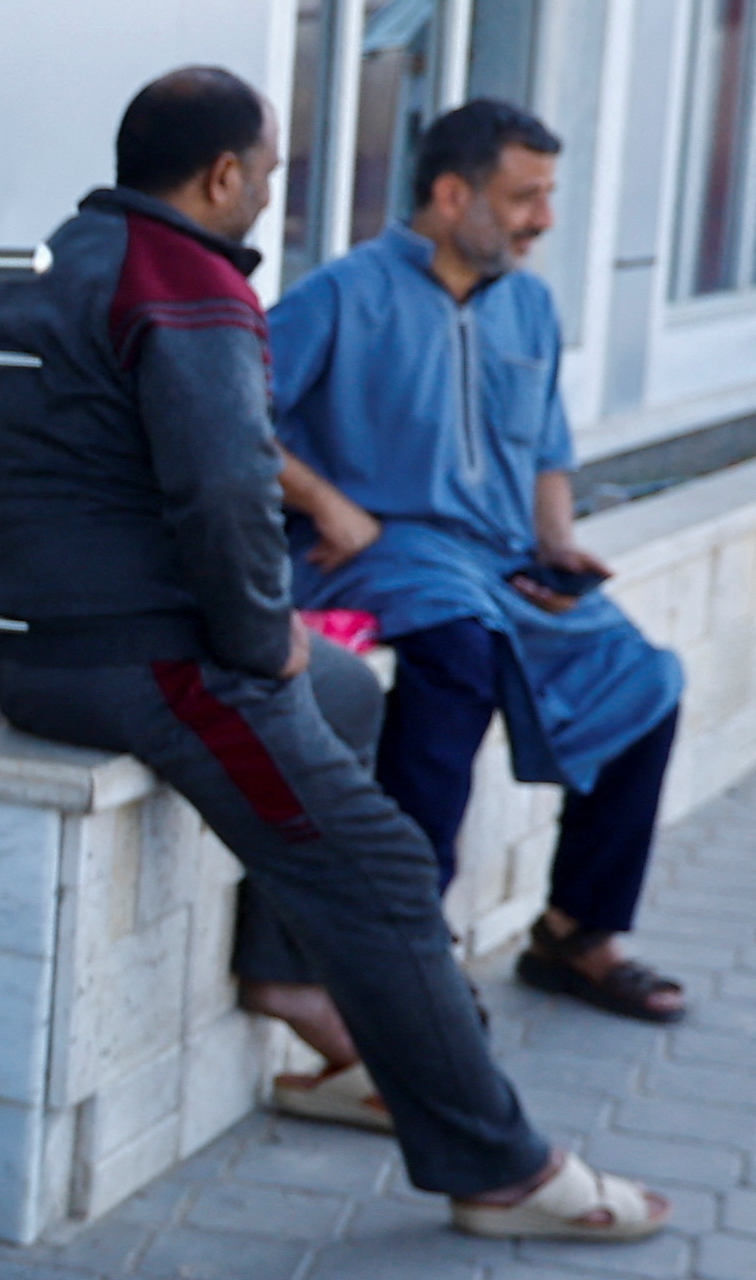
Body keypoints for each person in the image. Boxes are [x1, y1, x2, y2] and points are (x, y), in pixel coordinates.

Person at [0, 67, 664, 1241]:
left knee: (347, 692)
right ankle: (500, 1168)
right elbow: (225, 486)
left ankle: (289, 979)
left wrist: (280, 646)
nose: (269, 193)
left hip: (47, 645)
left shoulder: (54, 265)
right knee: (383, 871)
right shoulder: (186, 282)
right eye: (269, 171)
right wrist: (257, 638)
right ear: (220, 175)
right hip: (147, 660)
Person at [274, 100, 690, 1026]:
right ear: (452, 193)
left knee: (647, 678)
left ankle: (575, 932)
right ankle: (412, 949)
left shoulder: (530, 304)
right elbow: (225, 418)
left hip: (506, 561)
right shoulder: (340, 294)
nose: (544, 218)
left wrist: (558, 543)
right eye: (523, 196)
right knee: (455, 658)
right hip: (388, 552)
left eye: (548, 194)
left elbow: (546, 449)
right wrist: (327, 501)